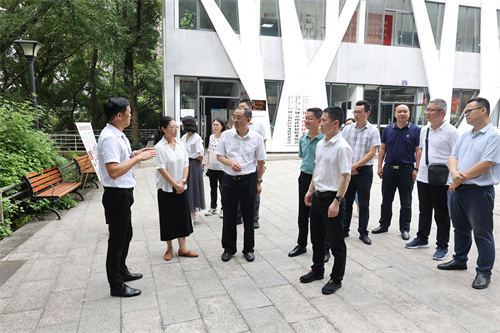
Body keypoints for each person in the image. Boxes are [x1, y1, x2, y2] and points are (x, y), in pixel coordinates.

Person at [97, 97, 157, 297]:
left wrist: (135, 153)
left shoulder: (118, 135)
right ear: (119, 115)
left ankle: (122, 271)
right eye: (129, 114)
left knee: (126, 234)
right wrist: (138, 159)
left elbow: (121, 158)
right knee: (117, 240)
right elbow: (113, 171)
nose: (131, 117)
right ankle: (116, 285)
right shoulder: (110, 138)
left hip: (124, 193)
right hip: (116, 194)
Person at [438, 97, 500, 290]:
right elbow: (453, 156)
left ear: (483, 111)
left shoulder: (494, 135)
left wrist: (459, 178)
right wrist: (455, 175)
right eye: (465, 111)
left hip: (479, 192)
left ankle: (483, 272)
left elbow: (487, 163)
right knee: (460, 229)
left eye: (469, 111)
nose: (466, 114)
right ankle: (459, 259)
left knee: (482, 234)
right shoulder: (465, 135)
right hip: (457, 190)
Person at [300, 107, 352, 295]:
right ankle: (317, 269)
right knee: (317, 238)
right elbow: (317, 168)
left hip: (332, 198)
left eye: (323, 120)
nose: (319, 123)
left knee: (336, 242)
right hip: (317, 196)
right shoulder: (322, 143)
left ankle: (336, 278)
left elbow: (346, 177)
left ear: (335, 123)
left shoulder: (342, 147)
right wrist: (310, 189)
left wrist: (337, 201)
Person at [405, 99, 459, 261]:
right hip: (423, 177)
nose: (427, 112)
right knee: (424, 210)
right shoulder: (425, 130)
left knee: (442, 214)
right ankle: (422, 238)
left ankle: (442, 246)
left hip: (442, 179)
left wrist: (454, 179)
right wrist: (416, 168)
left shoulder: (451, 132)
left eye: (431, 110)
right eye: (427, 109)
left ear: (442, 112)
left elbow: (457, 156)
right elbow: (421, 151)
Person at [216, 106, 266, 262]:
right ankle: (228, 248)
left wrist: (258, 181)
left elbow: (260, 162)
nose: (235, 121)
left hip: (248, 180)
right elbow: (219, 156)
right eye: (234, 117)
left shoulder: (256, 138)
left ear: (248, 120)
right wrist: (230, 163)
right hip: (229, 180)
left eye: (239, 118)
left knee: (249, 216)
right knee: (229, 216)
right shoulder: (226, 135)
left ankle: (248, 249)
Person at [373, 104, 421, 240]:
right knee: (386, 200)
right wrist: (379, 166)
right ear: (395, 114)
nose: (402, 114)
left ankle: (405, 228)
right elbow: (382, 148)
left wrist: (417, 168)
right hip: (389, 169)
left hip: (407, 170)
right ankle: (384, 225)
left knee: (406, 202)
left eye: (405, 111)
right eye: (399, 111)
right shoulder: (388, 129)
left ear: (409, 114)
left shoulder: (416, 130)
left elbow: (418, 150)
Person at [154, 116, 198, 261]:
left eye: (176, 126)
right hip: (166, 188)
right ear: (163, 129)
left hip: (181, 187)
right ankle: (169, 248)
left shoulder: (180, 144)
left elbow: (186, 164)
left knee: (182, 217)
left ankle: (183, 248)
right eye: (172, 127)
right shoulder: (159, 147)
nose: (175, 129)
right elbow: (162, 169)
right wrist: (175, 185)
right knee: (168, 218)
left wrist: (183, 182)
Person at [288, 108, 329, 261]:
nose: (306, 121)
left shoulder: (325, 140)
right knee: (303, 213)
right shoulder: (303, 138)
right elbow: (303, 158)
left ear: (319, 121)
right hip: (305, 178)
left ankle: (325, 248)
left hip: (321, 180)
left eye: (310, 118)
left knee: (321, 216)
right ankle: (301, 244)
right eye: (306, 118)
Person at [342, 100, 381, 245]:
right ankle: (344, 229)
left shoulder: (373, 130)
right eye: (355, 112)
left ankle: (363, 232)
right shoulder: (347, 129)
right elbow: (342, 149)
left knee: (363, 203)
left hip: (364, 171)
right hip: (348, 171)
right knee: (346, 201)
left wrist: (355, 166)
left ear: (367, 113)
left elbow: (372, 153)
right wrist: (349, 168)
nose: (356, 114)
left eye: (359, 112)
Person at [237, 99, 268, 229]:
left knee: (255, 190)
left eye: (243, 107)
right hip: (239, 166)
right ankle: (238, 216)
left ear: (250, 108)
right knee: (238, 191)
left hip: (254, 165)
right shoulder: (236, 125)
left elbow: (264, 143)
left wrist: (263, 163)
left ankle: (254, 217)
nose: (240, 111)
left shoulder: (259, 125)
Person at [181, 116, 206, 221]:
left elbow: (200, 153)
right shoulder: (183, 137)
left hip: (194, 163)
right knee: (187, 187)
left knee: (192, 188)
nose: (181, 125)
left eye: (183, 123)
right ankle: (191, 212)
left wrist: (200, 163)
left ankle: (192, 213)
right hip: (185, 163)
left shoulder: (197, 138)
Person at [204, 118, 228, 218]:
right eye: (214, 125)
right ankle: (213, 207)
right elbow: (209, 151)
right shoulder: (211, 137)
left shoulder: (225, 137)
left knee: (222, 188)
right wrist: (208, 165)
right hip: (212, 167)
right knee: (212, 188)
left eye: (217, 125)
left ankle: (224, 208)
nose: (215, 127)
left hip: (222, 167)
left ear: (222, 126)